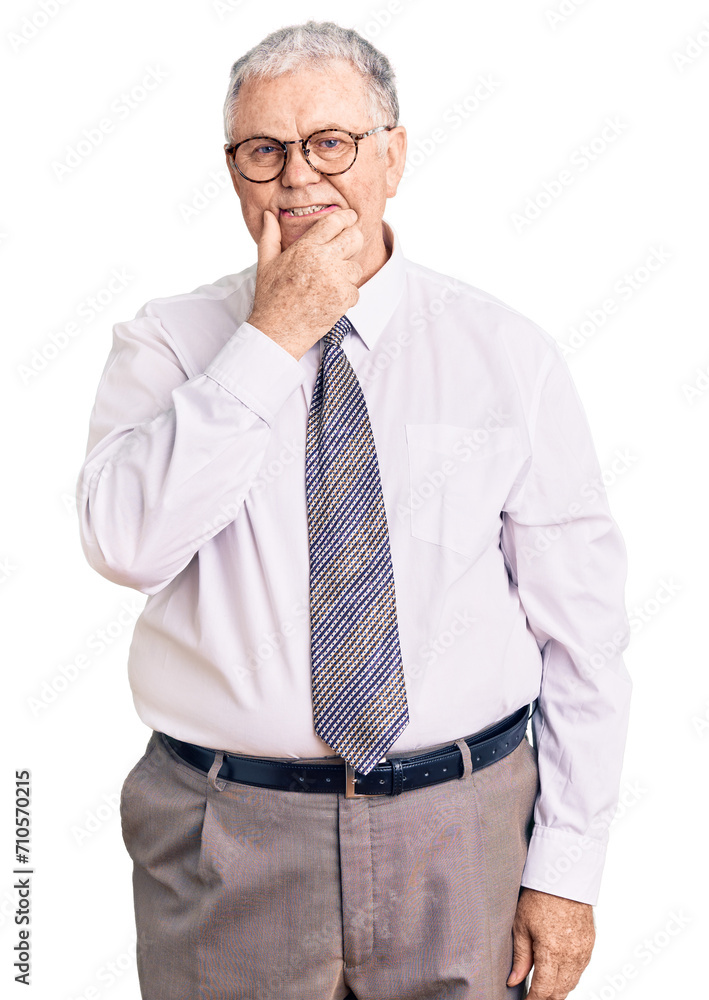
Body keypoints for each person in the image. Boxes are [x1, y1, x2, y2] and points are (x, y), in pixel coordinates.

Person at [76, 20, 632, 1000]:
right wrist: (272, 335)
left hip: (462, 830)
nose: (298, 177)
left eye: (330, 142)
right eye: (265, 150)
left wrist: (567, 867)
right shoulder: (165, 346)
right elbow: (125, 544)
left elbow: (580, 631)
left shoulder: (505, 352)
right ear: (234, 171)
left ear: (394, 155)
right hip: (225, 839)